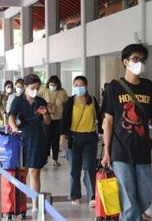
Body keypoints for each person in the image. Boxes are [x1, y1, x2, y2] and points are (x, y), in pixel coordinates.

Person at [101, 43, 152, 221]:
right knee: (128, 198)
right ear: (125, 62)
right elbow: (109, 121)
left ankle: (137, 212)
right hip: (120, 149)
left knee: (145, 196)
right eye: (136, 59)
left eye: (142, 59)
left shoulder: (148, 86)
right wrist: (106, 151)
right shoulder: (114, 87)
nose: (140, 62)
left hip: (142, 149)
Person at [8, 74, 52, 213]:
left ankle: (35, 204)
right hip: (22, 138)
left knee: (35, 171)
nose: (35, 91)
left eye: (37, 88)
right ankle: (21, 202)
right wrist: (14, 128)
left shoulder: (41, 101)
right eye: (32, 88)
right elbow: (11, 117)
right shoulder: (18, 101)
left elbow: (48, 121)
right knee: (23, 171)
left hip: (38, 138)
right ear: (25, 87)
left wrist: (45, 114)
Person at [60, 76, 103, 207]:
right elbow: (65, 119)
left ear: (86, 86)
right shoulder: (70, 101)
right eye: (76, 85)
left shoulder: (93, 100)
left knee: (90, 167)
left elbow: (99, 117)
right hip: (74, 137)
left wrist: (102, 132)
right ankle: (75, 194)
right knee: (75, 168)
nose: (79, 87)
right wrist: (62, 136)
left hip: (90, 137)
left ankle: (92, 195)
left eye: (81, 84)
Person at [39, 75, 69, 166]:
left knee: (56, 140)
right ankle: (45, 158)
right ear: (48, 84)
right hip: (46, 119)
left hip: (58, 120)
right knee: (46, 137)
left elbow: (67, 104)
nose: (53, 86)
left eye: (54, 85)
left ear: (58, 84)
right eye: (51, 84)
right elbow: (37, 100)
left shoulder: (62, 92)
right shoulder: (43, 90)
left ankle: (55, 159)